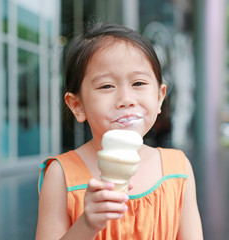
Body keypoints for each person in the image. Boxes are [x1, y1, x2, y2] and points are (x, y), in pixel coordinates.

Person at [35, 22, 203, 240]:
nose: (126, 100)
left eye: (139, 83)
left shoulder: (178, 169)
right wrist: (87, 224)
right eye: (106, 86)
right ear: (77, 105)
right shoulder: (61, 175)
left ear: (160, 97)